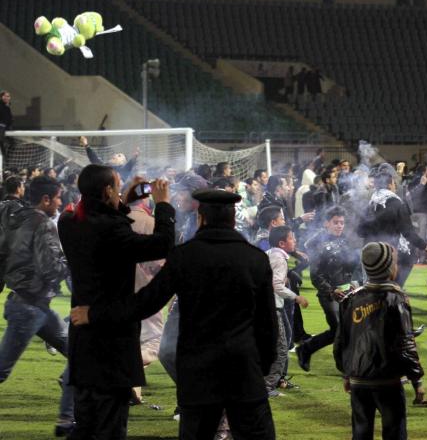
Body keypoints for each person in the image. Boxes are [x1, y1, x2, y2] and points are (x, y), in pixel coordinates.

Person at [70, 188, 278, 439]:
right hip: (243, 368)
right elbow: (268, 324)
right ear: (233, 220)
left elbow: (144, 303)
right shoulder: (255, 259)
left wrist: (95, 314)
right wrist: (261, 365)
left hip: (198, 371)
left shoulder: (185, 256)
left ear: (201, 218)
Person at [58, 165, 175, 439]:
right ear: (108, 190)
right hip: (111, 342)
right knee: (109, 426)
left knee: (86, 424)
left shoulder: (69, 221)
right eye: (117, 186)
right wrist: (163, 206)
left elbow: (101, 216)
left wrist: (125, 199)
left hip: (83, 340)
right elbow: (162, 244)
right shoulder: (112, 231)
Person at [0, 176, 74, 437]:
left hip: (33, 305)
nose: (60, 202)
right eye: (58, 197)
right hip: (29, 307)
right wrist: (73, 260)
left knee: (80, 356)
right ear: (46, 199)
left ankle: (67, 419)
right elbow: (51, 268)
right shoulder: (43, 223)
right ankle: (68, 417)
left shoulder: (16, 218)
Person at [333, 242, 425, 440]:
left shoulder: (350, 299)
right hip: (388, 380)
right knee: (394, 433)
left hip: (359, 380)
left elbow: (341, 342)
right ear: (390, 267)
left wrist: (347, 374)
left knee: (361, 433)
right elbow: (406, 342)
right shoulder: (397, 298)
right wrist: (417, 379)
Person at [296, 207, 358, 372]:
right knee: (339, 329)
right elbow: (316, 275)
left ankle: (306, 349)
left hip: (347, 292)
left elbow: (350, 267)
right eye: (335, 222)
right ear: (326, 223)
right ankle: (345, 367)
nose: (339, 226)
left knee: (341, 330)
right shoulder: (317, 243)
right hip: (329, 295)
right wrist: (331, 291)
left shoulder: (345, 240)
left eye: (342, 223)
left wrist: (353, 283)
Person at [126, 189, 167, 405]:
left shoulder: (116, 221)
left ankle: (133, 389)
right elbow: (159, 263)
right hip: (147, 292)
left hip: (116, 292)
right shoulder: (151, 223)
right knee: (154, 341)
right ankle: (124, 370)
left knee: (129, 338)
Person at [358, 169, 427, 288]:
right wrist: (424, 246)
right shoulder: (398, 204)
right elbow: (407, 232)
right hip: (388, 252)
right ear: (389, 185)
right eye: (393, 183)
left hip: (369, 252)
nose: (395, 186)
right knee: (409, 257)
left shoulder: (370, 204)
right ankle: (396, 289)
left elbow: (360, 231)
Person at [265, 225, 309, 394]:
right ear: (282, 243)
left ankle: (277, 380)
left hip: (270, 306)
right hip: (273, 307)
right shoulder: (279, 259)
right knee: (282, 348)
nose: (295, 240)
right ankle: (268, 386)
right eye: (292, 238)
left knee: (283, 340)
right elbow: (276, 285)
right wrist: (296, 297)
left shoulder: (270, 254)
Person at [0, 90, 12, 158]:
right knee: (2, 141)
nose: (8, 98)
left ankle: (5, 157)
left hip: (6, 127)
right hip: (2, 126)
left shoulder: (7, 106)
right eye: (6, 96)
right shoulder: (2, 106)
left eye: (8, 96)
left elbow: (8, 118)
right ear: (2, 97)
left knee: (11, 143)